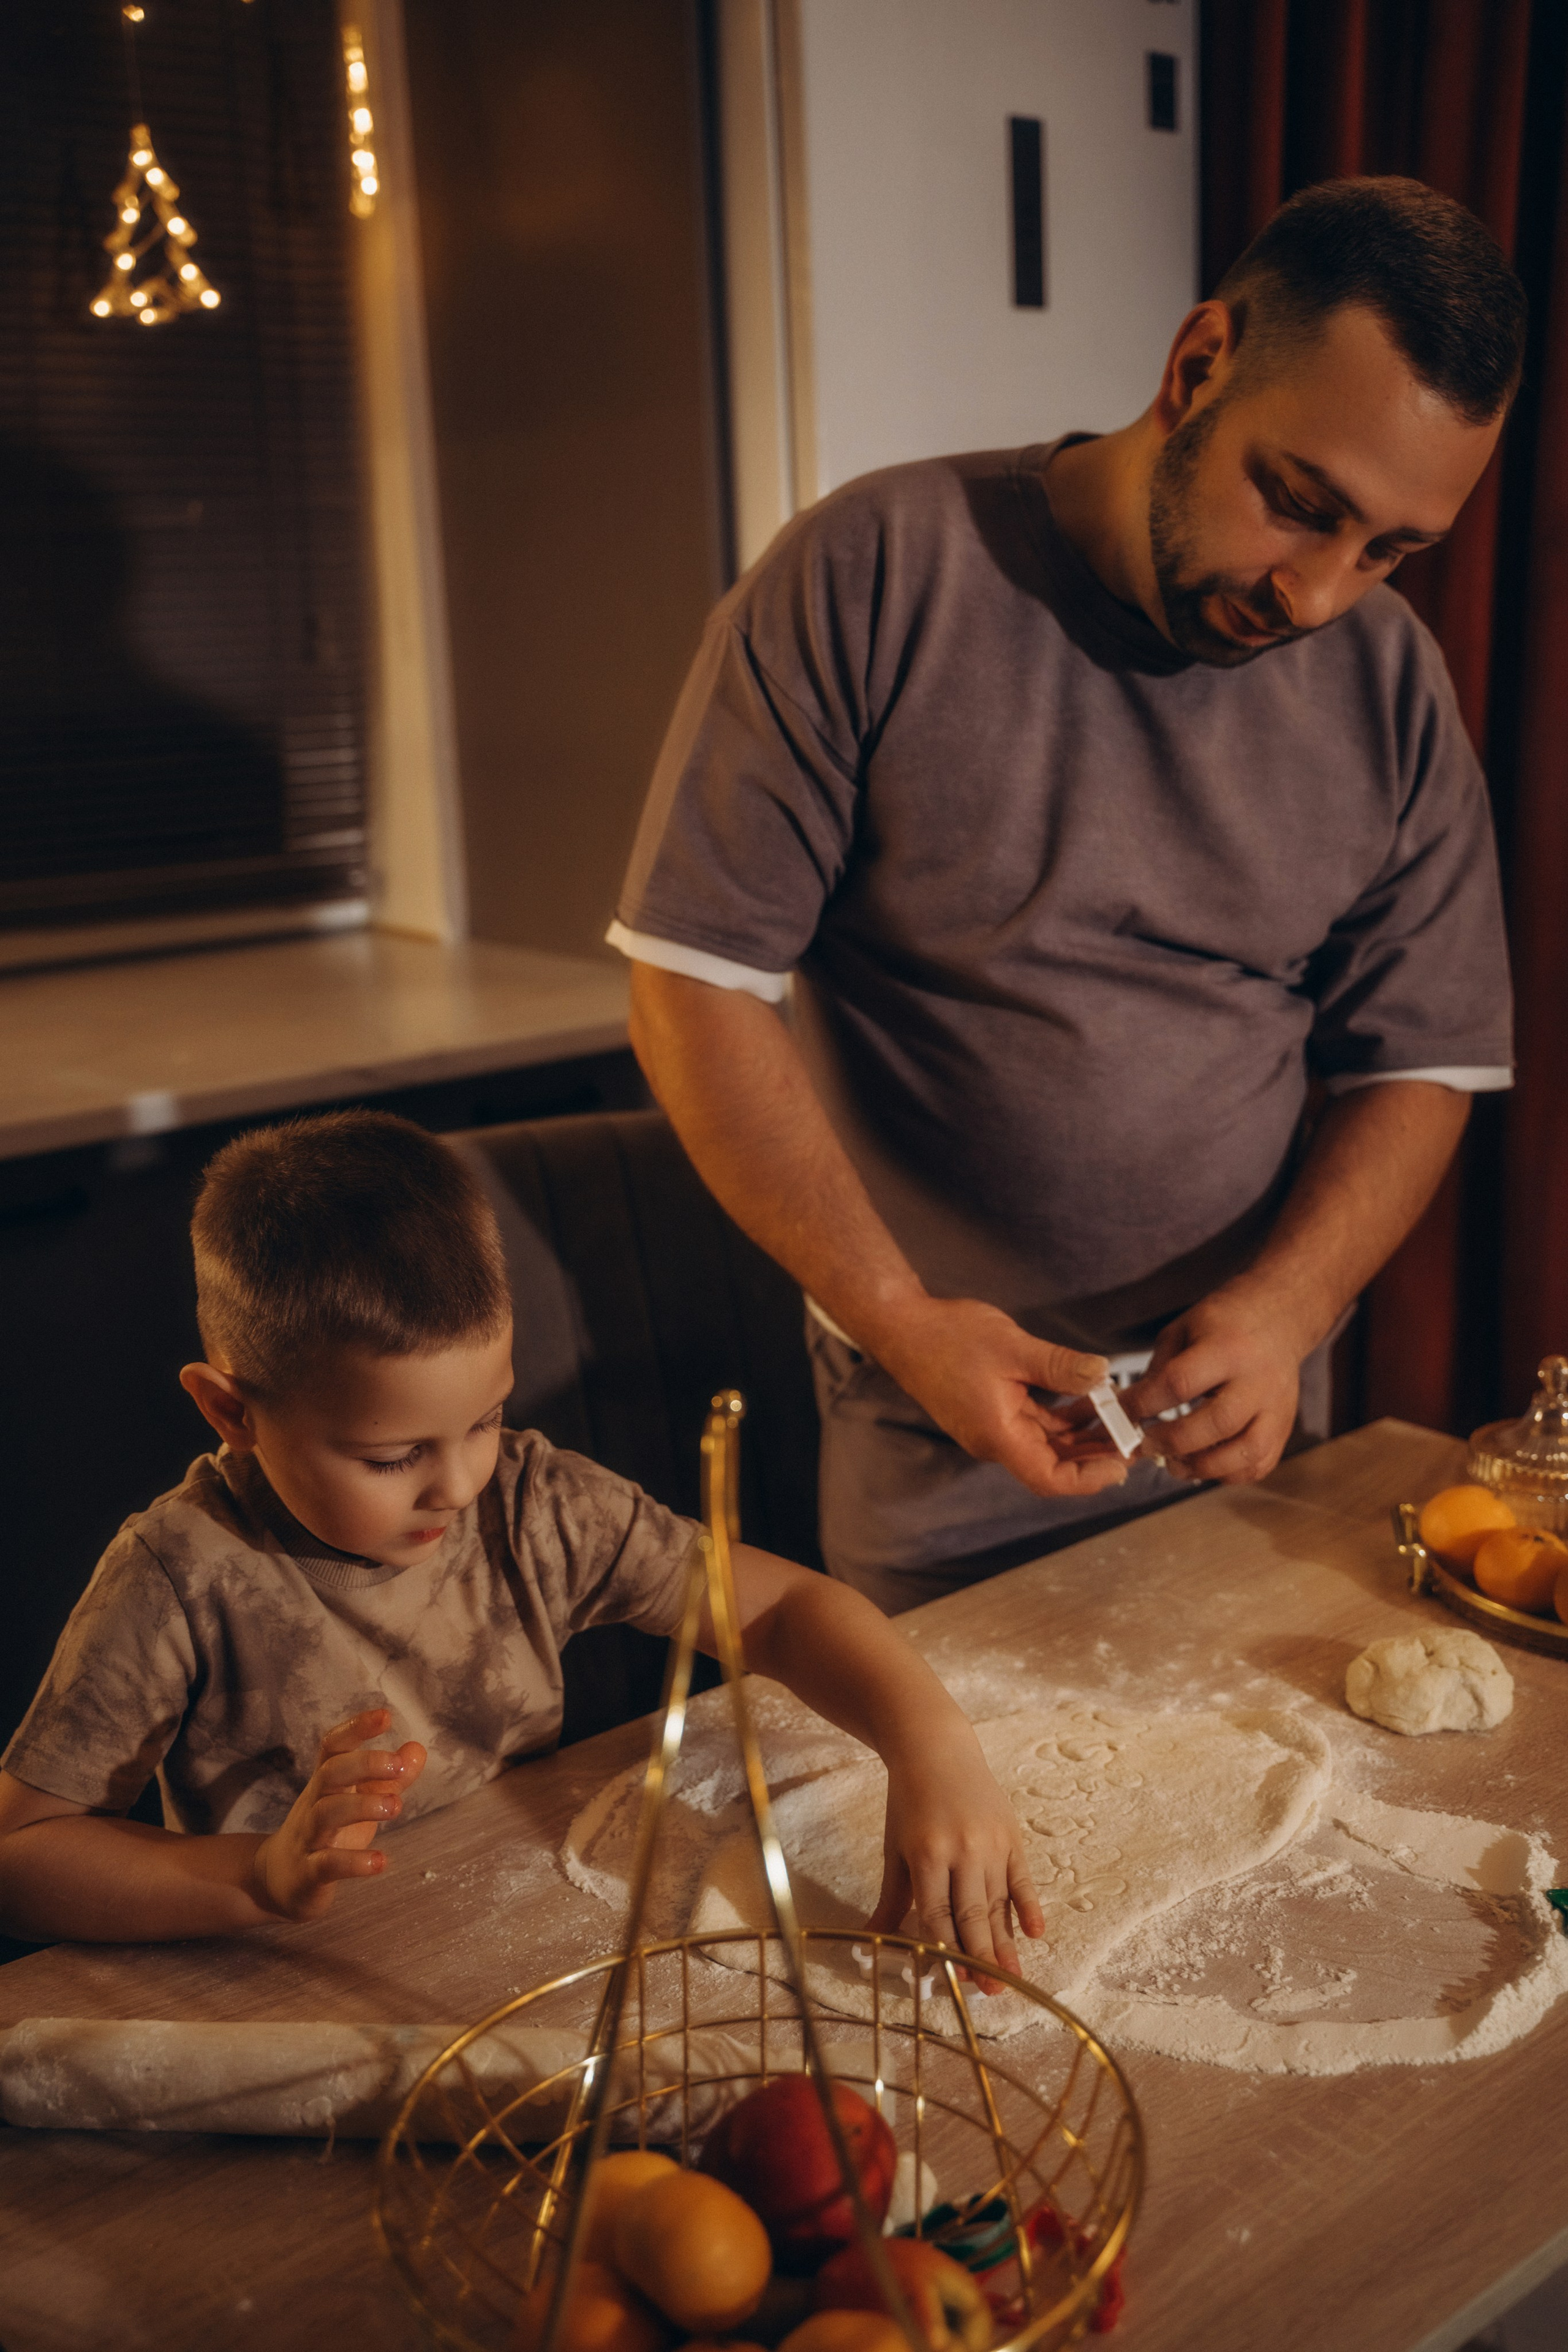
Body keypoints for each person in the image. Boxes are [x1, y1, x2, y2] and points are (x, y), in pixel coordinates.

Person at [608, 175, 1523, 1611]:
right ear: (1196, 365)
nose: (1321, 596)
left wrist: (1289, 1309)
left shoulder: (1386, 676)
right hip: (935, 1425)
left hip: (1248, 1429)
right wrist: (900, 1319)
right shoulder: (876, 572)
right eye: (1298, 507)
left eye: (1389, 549)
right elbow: (692, 986)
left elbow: (1421, 1059)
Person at [0, 1110, 1039, 1975]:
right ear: (231, 1414)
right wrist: (257, 1876)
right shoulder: (181, 1581)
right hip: (277, 1977)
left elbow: (779, 1609)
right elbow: (25, 1853)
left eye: (487, 1418)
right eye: (391, 1455)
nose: (458, 1483)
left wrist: (931, 1744)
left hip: (512, 1938)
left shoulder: (537, 1505)